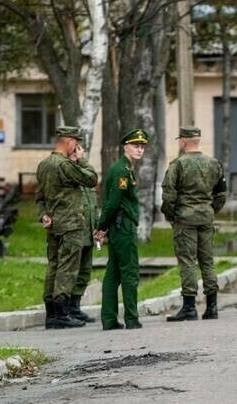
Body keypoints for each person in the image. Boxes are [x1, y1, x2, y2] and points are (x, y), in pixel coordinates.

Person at [161, 126, 228, 322]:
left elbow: (168, 196)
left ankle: (189, 307)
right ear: (198, 140)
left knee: (188, 262)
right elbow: (221, 194)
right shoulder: (214, 164)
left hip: (185, 219)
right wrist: (210, 210)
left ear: (183, 141)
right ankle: (212, 306)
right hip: (206, 218)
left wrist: (171, 215)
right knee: (207, 262)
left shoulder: (178, 165)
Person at [36, 126, 98, 329]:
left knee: (53, 266)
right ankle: (62, 312)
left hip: (54, 224)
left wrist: (43, 214)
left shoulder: (44, 165)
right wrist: (82, 160)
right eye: (76, 143)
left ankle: (51, 313)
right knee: (67, 268)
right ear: (69, 141)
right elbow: (91, 179)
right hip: (71, 224)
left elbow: (40, 197)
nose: (76, 147)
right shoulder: (64, 165)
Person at [96, 128, 149, 330]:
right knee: (129, 272)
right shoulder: (121, 171)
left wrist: (104, 226)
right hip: (122, 226)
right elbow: (113, 202)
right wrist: (102, 227)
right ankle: (131, 318)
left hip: (118, 225)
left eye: (142, 146)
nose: (140, 149)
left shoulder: (125, 168)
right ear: (126, 146)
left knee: (113, 273)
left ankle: (109, 320)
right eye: (136, 145)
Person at [70, 178, 98, 324]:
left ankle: (75, 307)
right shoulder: (68, 175)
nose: (82, 153)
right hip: (75, 234)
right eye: (80, 152)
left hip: (89, 234)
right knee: (71, 272)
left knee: (84, 272)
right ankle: (66, 308)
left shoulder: (87, 177)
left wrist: (99, 228)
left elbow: (94, 207)